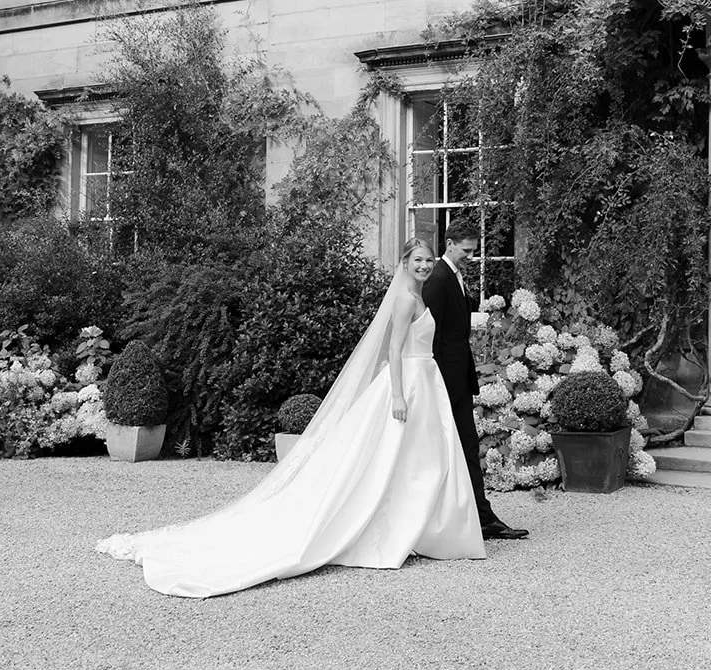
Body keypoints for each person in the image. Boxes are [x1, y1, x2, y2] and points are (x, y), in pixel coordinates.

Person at [95, 238, 486, 597]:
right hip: (410, 386)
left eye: (428, 260)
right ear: (404, 263)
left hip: (427, 382)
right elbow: (395, 351)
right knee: (395, 459)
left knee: (420, 459)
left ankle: (423, 528)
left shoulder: (419, 295)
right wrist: (398, 395)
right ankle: (397, 528)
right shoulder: (404, 300)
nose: (424, 265)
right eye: (417, 260)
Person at [421, 219, 529, 541]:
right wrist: (437, 384)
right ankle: (470, 520)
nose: (471, 256)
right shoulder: (438, 280)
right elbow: (430, 336)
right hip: (445, 383)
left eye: (473, 251)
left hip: (457, 379)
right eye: (466, 251)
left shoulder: (453, 276)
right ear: (450, 244)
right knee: (457, 450)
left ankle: (480, 517)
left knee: (466, 449)